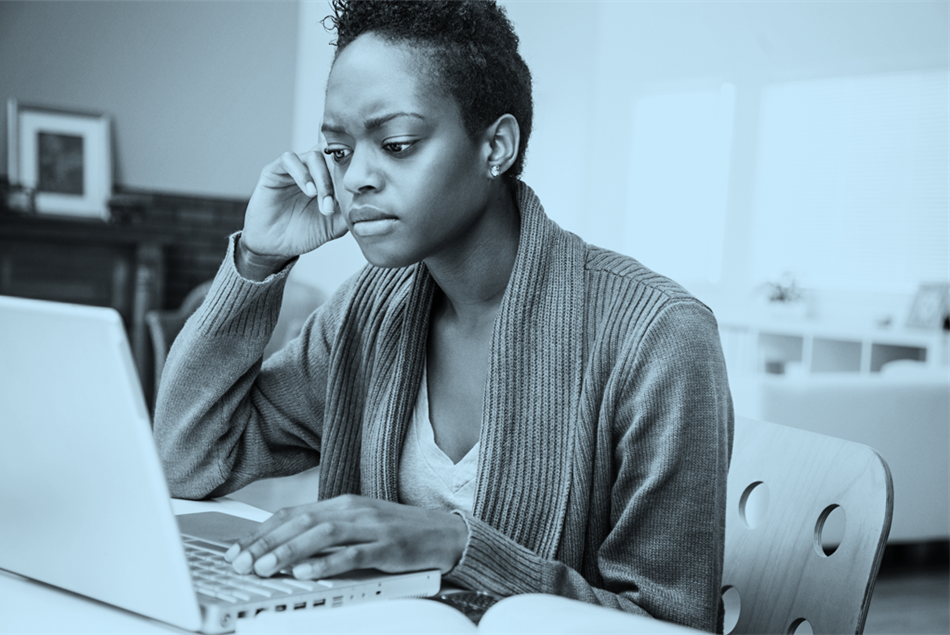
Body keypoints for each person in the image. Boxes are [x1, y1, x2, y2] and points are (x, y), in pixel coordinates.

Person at [154, 0, 734, 632]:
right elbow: (187, 461)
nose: (357, 180)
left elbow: (672, 625)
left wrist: (456, 546)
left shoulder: (657, 336)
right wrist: (258, 262)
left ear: (497, 147)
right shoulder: (364, 314)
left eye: (397, 144)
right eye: (339, 151)